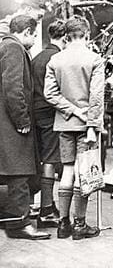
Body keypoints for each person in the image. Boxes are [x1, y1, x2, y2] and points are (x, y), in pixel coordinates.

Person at [44, 15, 105, 240]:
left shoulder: (55, 61)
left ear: (67, 36)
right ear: (87, 35)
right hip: (87, 127)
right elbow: (97, 96)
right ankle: (80, 225)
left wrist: (71, 110)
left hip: (64, 124)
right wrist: (90, 122)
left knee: (67, 170)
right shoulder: (95, 59)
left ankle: (63, 224)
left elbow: (49, 94)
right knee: (84, 173)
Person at [0, 15, 50, 240]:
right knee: (19, 172)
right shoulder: (14, 48)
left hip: (5, 122)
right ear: (28, 31)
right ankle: (19, 224)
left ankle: (14, 219)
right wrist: (22, 121)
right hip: (11, 124)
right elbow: (13, 88)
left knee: (15, 172)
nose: (34, 40)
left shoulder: (5, 46)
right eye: (34, 34)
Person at [32, 20, 67, 228]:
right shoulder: (58, 57)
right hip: (50, 113)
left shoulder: (37, 57)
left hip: (36, 112)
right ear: (64, 38)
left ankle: (47, 205)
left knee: (44, 158)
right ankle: (46, 210)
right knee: (51, 159)